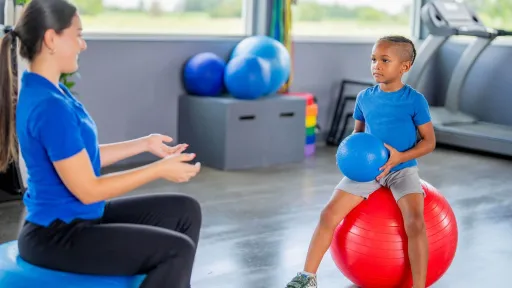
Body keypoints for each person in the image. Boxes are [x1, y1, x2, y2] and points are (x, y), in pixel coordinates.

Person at [0, 1, 202, 287]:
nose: (83, 44)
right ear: (51, 39)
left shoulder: (51, 91)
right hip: (56, 235)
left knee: (185, 211)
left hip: (77, 218)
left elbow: (82, 158)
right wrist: (159, 170)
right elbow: (88, 190)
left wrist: (145, 144)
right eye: (78, 34)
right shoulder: (49, 106)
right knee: (175, 249)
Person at [285, 35, 436, 288]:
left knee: (416, 223)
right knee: (328, 214)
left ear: (404, 67)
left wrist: (400, 157)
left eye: (384, 60)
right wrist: (350, 157)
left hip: (401, 168)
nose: (376, 65)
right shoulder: (364, 97)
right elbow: (357, 135)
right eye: (373, 59)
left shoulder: (415, 100)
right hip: (369, 169)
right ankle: (307, 276)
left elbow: (429, 142)